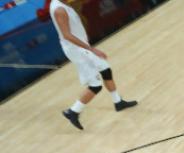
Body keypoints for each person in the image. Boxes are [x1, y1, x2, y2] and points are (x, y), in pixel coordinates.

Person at [43, 0, 138, 130]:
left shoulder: (62, 3)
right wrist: (91, 49)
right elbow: (67, 35)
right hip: (77, 50)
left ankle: (118, 102)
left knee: (105, 69)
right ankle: (73, 112)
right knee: (95, 86)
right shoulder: (59, 9)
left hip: (81, 47)